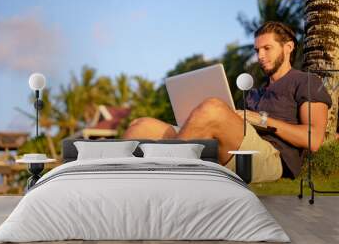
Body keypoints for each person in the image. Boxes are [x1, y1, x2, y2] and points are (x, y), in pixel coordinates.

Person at [123, 21, 332, 183]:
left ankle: (163, 179)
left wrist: (261, 119)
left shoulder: (306, 82)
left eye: (267, 48)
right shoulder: (255, 92)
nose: (260, 55)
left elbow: (313, 140)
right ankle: (122, 186)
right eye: (257, 50)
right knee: (141, 126)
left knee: (213, 107)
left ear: (288, 47)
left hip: (271, 157)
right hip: (232, 145)